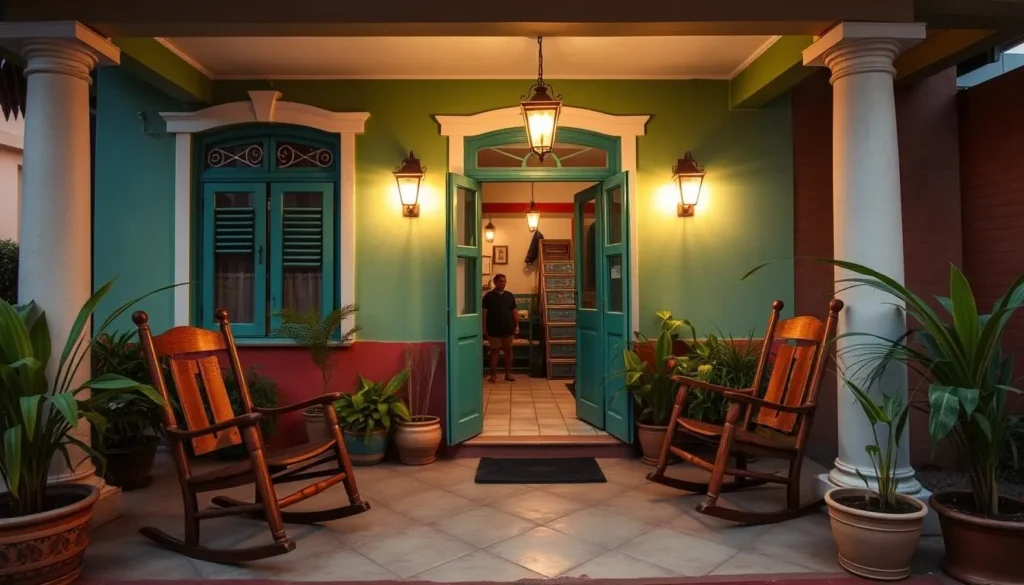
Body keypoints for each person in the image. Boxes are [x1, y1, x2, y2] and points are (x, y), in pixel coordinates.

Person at [482, 274, 519, 382]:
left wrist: (517, 325)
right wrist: (484, 328)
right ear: (495, 282)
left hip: (508, 327)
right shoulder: (488, 296)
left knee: (508, 350)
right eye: (500, 281)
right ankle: (493, 375)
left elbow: (514, 312)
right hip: (493, 328)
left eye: (504, 281)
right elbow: (484, 314)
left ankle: (508, 374)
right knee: (494, 351)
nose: (502, 283)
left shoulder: (510, 296)